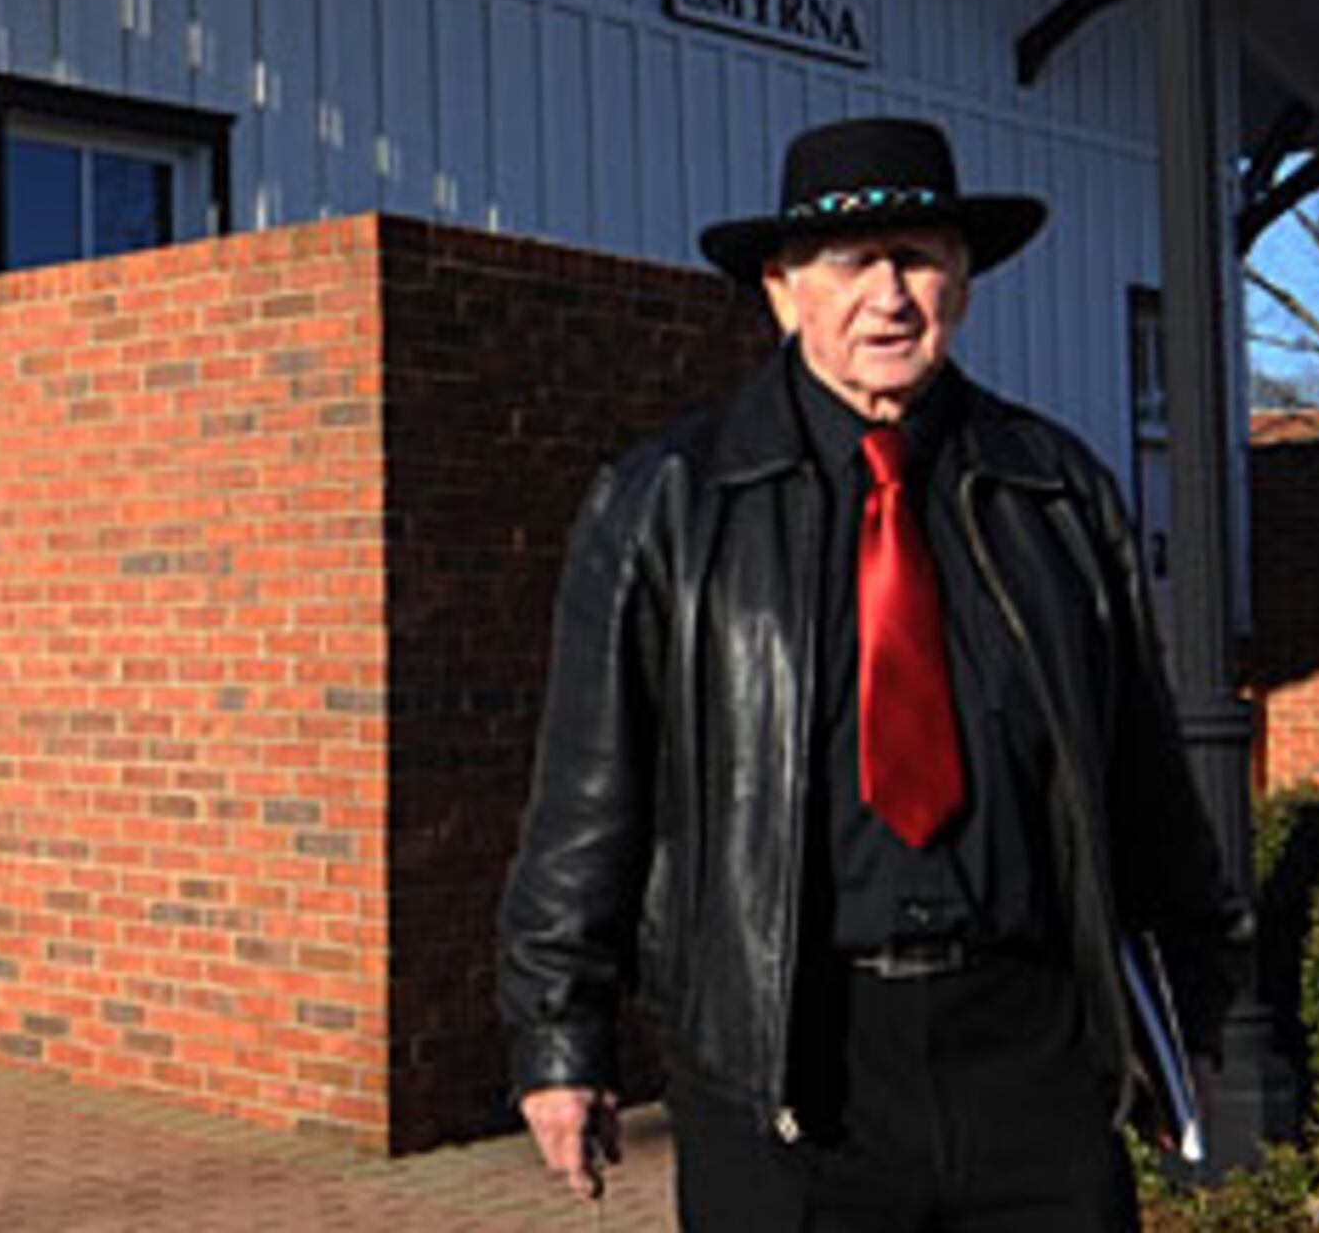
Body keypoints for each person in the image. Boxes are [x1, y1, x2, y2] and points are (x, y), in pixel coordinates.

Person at [496, 115, 1237, 1230]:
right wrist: (559, 1038)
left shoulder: (1058, 495)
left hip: (1032, 1056)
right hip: (791, 1069)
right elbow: (587, 800)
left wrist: (1201, 1005)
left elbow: (1140, 775)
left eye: (921, 258)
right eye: (851, 263)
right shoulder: (668, 504)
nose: (888, 295)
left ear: (965, 283)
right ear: (784, 291)